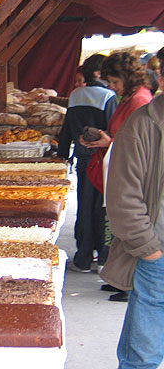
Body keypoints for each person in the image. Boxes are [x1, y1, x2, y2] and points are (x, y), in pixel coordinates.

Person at [100, 47, 164, 368]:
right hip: (158, 252)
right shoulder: (144, 124)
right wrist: (149, 249)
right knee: (143, 354)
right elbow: (123, 197)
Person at [80, 52, 152, 297]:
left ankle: (130, 283)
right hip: (119, 167)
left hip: (132, 173)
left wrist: (106, 141)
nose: (111, 87)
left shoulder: (139, 101)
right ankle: (121, 278)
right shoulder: (128, 98)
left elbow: (139, 144)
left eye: (114, 82)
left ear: (127, 77)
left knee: (128, 226)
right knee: (118, 227)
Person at [58, 54, 118, 272]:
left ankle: (83, 255)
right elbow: (113, 128)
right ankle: (103, 256)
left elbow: (66, 129)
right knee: (102, 207)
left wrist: (62, 152)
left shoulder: (75, 95)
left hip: (82, 159)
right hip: (103, 159)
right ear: (99, 73)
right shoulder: (108, 96)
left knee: (84, 205)